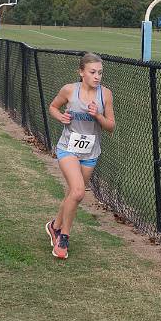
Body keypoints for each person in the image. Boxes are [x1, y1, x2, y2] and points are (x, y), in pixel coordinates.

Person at [46, 53, 116, 259]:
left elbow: (111, 126)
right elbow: (53, 107)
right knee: (78, 192)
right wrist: (61, 116)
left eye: (100, 73)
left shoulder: (106, 95)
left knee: (72, 195)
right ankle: (63, 238)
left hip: (90, 152)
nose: (97, 77)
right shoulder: (69, 90)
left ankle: (54, 226)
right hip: (68, 148)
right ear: (81, 72)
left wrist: (98, 115)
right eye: (92, 72)